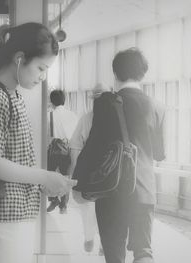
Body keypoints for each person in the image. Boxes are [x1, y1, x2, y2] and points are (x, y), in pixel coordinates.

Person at [0, 23, 76, 263]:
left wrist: (45, 182)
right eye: (41, 68)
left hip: (13, 214)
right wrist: (43, 177)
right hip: (3, 217)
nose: (43, 77)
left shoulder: (11, 93)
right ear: (20, 58)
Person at [90, 48, 166, 263]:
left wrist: (81, 184)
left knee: (114, 255)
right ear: (143, 74)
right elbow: (160, 154)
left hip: (111, 191)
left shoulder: (104, 103)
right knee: (144, 251)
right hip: (144, 190)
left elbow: (94, 148)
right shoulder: (158, 106)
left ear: (115, 74)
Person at [69, 83, 107, 255]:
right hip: (107, 172)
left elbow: (76, 144)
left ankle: (89, 238)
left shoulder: (86, 118)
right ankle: (102, 243)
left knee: (87, 207)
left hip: (89, 171)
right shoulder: (116, 119)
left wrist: (77, 170)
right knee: (104, 207)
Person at [47, 89, 78, 214]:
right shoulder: (72, 115)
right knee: (66, 177)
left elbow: (47, 135)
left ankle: (53, 199)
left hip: (54, 148)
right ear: (64, 100)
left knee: (49, 175)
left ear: (51, 101)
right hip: (68, 148)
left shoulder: (50, 115)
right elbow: (76, 135)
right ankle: (64, 206)